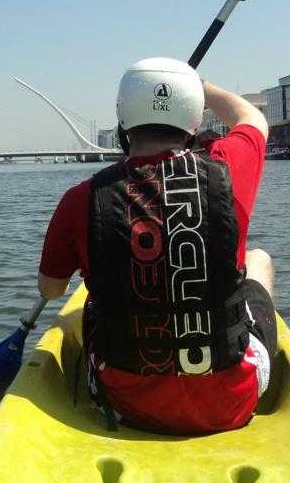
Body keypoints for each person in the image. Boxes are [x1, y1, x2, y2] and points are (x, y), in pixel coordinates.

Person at [36, 57, 273, 434]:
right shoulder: (226, 167)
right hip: (231, 403)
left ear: (122, 119)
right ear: (194, 116)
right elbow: (252, 118)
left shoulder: (81, 198)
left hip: (126, 405)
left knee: (94, 295)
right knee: (258, 260)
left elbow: (51, 289)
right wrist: (202, 87)